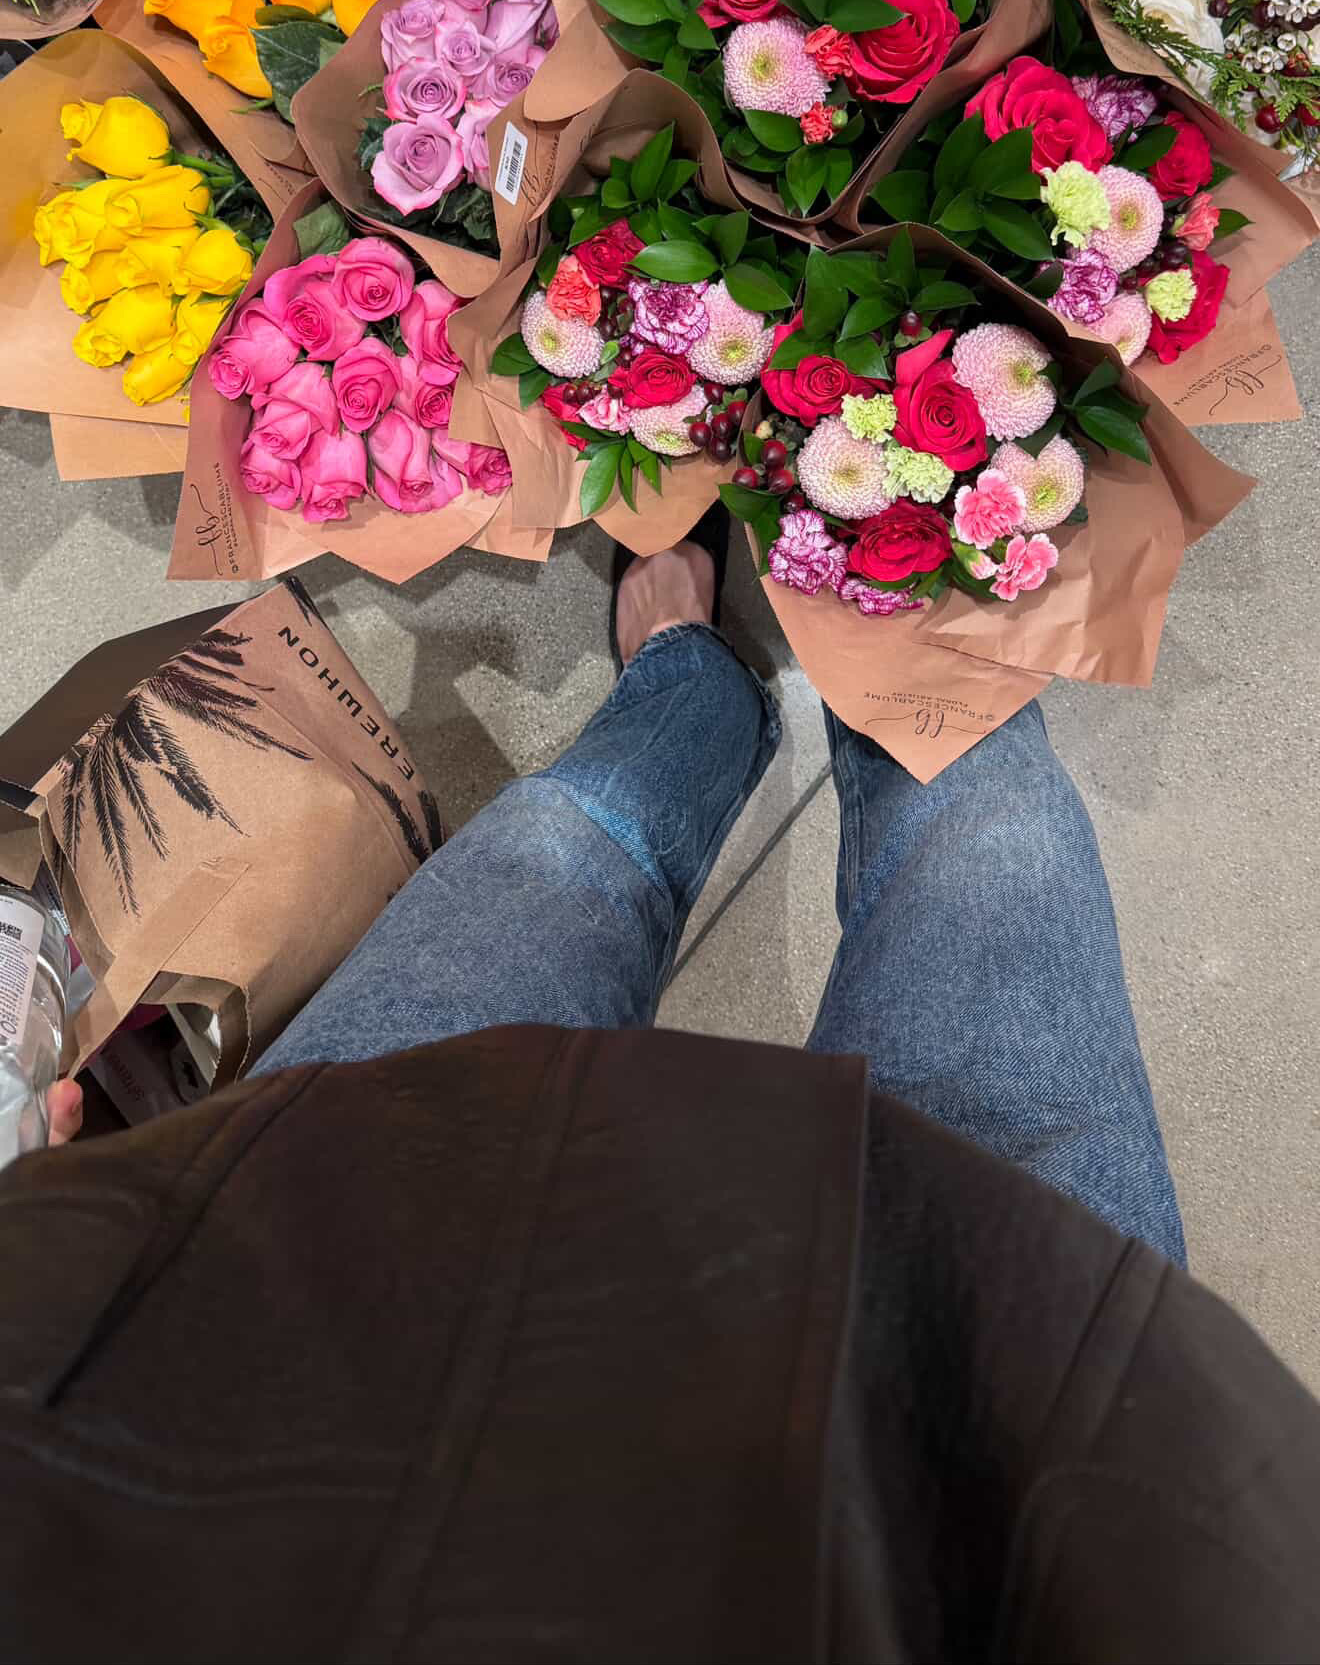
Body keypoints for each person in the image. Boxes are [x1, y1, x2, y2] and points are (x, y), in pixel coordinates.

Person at [3, 528, 1319, 1664]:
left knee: (553, 860)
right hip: (995, 1539)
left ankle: (691, 683)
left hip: (213, 1453)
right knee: (985, 862)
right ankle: (851, 670)